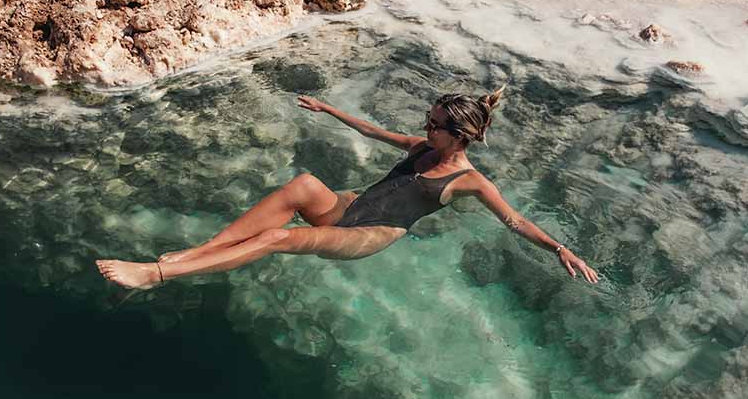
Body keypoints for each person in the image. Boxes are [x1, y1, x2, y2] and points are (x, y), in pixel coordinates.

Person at [96, 88, 599, 288]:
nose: (425, 126)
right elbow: (376, 132)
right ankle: (195, 253)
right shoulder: (422, 149)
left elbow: (514, 220)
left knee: (280, 238)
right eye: (428, 118)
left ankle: (158, 275)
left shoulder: (470, 181)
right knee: (302, 185)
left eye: (434, 123)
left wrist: (559, 248)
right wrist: (329, 109)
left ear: (458, 135)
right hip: (348, 208)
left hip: (371, 234)